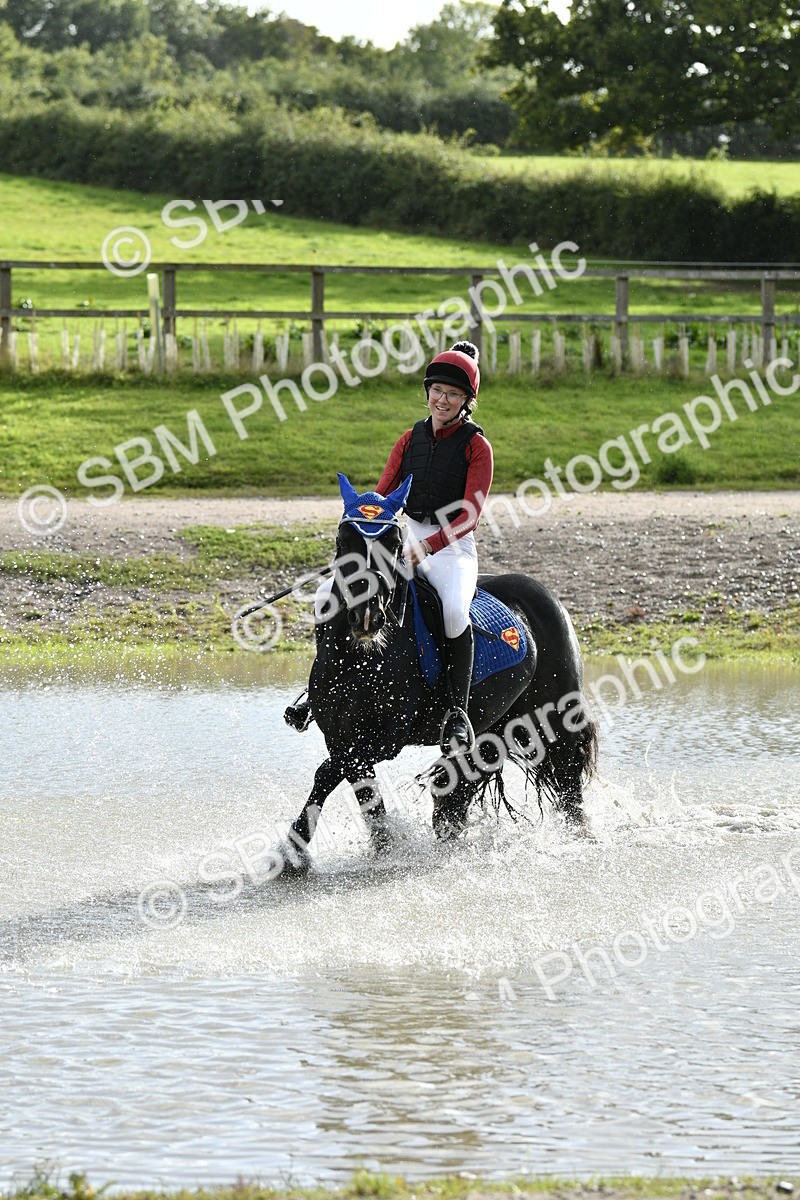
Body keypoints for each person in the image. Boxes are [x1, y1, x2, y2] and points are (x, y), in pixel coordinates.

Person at [284, 339, 493, 755]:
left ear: (467, 401)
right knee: (330, 594)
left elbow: (470, 514)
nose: (443, 400)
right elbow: (380, 497)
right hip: (402, 533)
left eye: (453, 394)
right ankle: (320, 689)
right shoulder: (408, 439)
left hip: (452, 547)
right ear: (428, 391)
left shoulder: (476, 447)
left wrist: (428, 547)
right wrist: (364, 534)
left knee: (452, 611)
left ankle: (457, 712)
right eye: (437, 391)